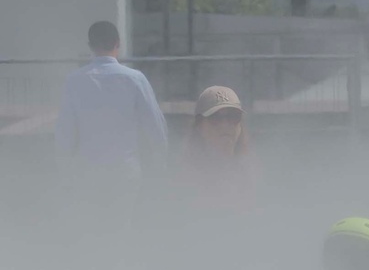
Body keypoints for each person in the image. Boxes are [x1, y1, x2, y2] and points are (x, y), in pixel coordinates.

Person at [54, 20, 168, 234]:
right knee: (121, 226)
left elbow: (65, 132)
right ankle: (118, 265)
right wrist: (161, 163)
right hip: (125, 170)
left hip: (88, 170)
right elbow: (155, 125)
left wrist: (64, 171)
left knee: (93, 228)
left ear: (90, 46)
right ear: (118, 43)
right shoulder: (135, 79)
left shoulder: (74, 81)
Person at [176, 85, 258, 216]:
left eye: (233, 117)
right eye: (216, 118)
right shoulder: (186, 175)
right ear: (199, 125)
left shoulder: (251, 171)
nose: (225, 125)